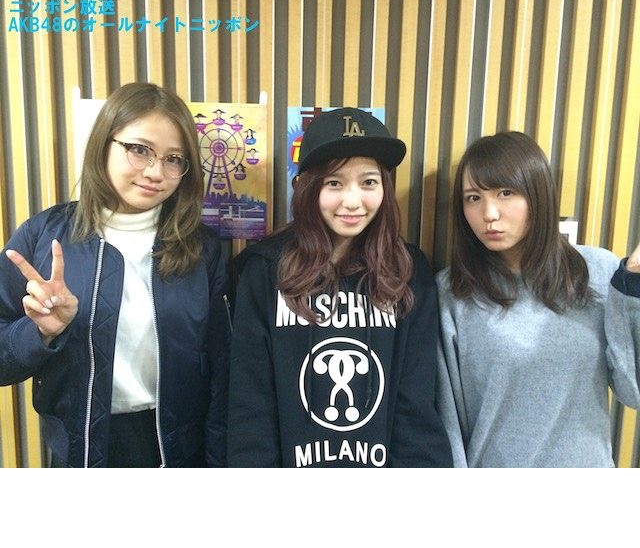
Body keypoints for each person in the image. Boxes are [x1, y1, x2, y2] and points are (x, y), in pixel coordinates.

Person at [0, 82, 231, 468]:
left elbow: (224, 370)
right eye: (140, 150)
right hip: (81, 452)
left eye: (174, 159)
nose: (156, 172)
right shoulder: (45, 237)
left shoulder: (201, 248)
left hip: (178, 451)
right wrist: (40, 332)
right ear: (103, 145)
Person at [227, 107, 453, 467]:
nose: (352, 201)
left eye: (368, 182)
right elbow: (250, 408)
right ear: (307, 187)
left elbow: (416, 405)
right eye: (334, 183)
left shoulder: (408, 271)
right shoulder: (265, 271)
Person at [436, 130, 640, 467]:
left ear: (538, 194)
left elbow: (633, 391)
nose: (489, 213)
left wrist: (633, 289)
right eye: (473, 198)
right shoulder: (453, 292)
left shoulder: (598, 271)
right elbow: (448, 424)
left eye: (506, 193)